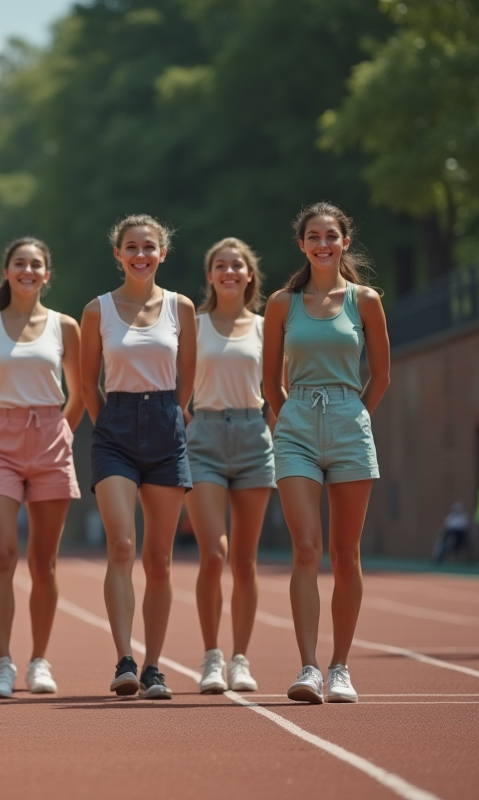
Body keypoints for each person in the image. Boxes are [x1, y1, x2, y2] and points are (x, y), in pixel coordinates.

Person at [263, 201, 390, 704]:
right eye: (313, 236)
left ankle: (341, 667)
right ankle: (309, 667)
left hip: (348, 421)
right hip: (295, 425)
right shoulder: (281, 303)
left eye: (331, 236)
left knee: (345, 553)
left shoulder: (365, 300)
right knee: (306, 548)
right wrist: (286, 418)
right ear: (301, 244)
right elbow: (270, 378)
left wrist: (354, 415)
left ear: (345, 242)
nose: (322, 243)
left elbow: (380, 375)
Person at [80, 214, 197, 699]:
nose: (140, 254)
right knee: (122, 546)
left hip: (166, 425)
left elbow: (187, 377)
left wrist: (175, 413)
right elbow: (87, 382)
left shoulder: (181, 308)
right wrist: (110, 419)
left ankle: (154, 666)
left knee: (160, 559)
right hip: (116, 430)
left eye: (149, 247)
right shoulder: (98, 310)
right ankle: (125, 658)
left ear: (162, 253)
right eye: (131, 247)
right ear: (118, 254)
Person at [0, 238, 84, 699]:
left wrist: (62, 431)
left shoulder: (65, 326)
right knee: (2, 555)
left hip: (51, 440)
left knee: (44, 562)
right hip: (0, 440)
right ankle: (3, 662)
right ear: (6, 271)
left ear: (47, 274)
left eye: (36, 264)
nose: (28, 270)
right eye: (19, 263)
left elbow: (79, 394)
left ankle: (39, 659)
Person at [184, 237, 274, 694]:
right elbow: (178, 385)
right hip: (204, 438)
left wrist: (272, 430)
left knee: (244, 558)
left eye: (237, 265)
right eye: (221, 265)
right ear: (210, 276)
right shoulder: (194, 326)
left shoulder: (264, 326)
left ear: (249, 275)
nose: (230, 272)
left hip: (254, 438)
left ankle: (241, 657)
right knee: (213, 553)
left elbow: (275, 387)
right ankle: (211, 657)